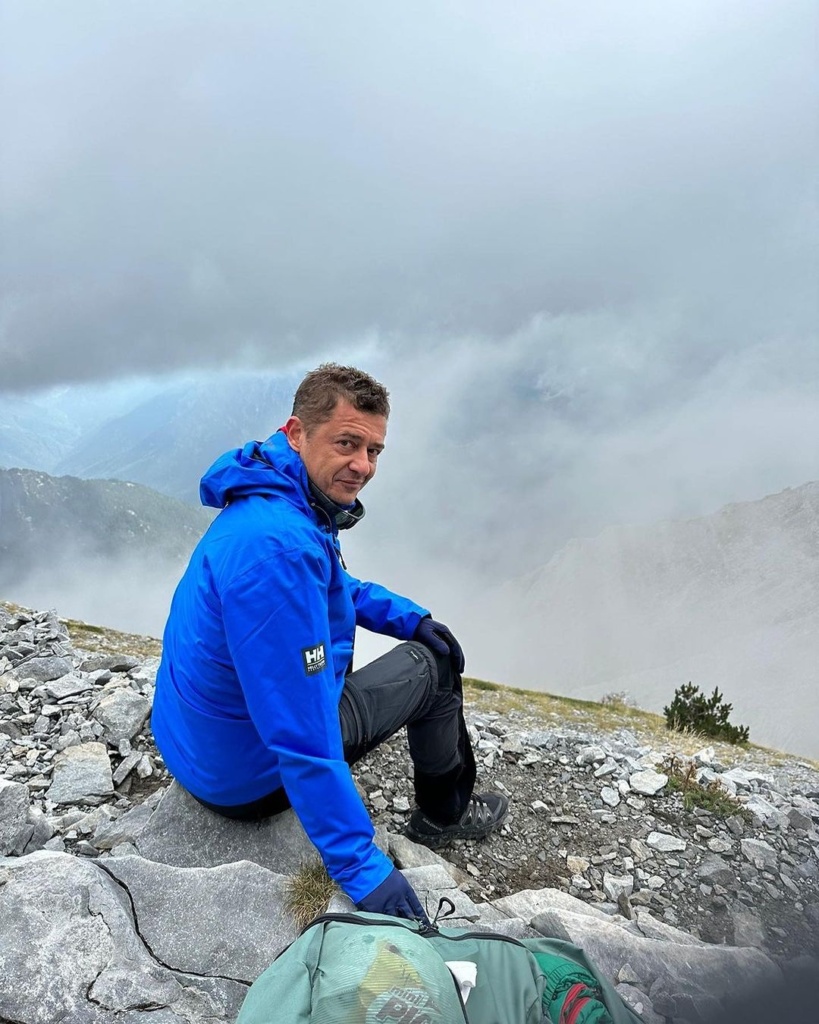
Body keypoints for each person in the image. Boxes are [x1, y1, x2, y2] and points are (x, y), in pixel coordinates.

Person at [151, 363, 508, 922]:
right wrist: (364, 870)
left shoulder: (272, 495)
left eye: (374, 450)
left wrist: (407, 617)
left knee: (419, 644)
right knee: (434, 668)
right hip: (243, 779)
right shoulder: (281, 550)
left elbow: (330, 582)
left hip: (196, 747)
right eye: (347, 443)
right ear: (297, 433)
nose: (363, 465)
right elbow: (301, 736)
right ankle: (445, 817)